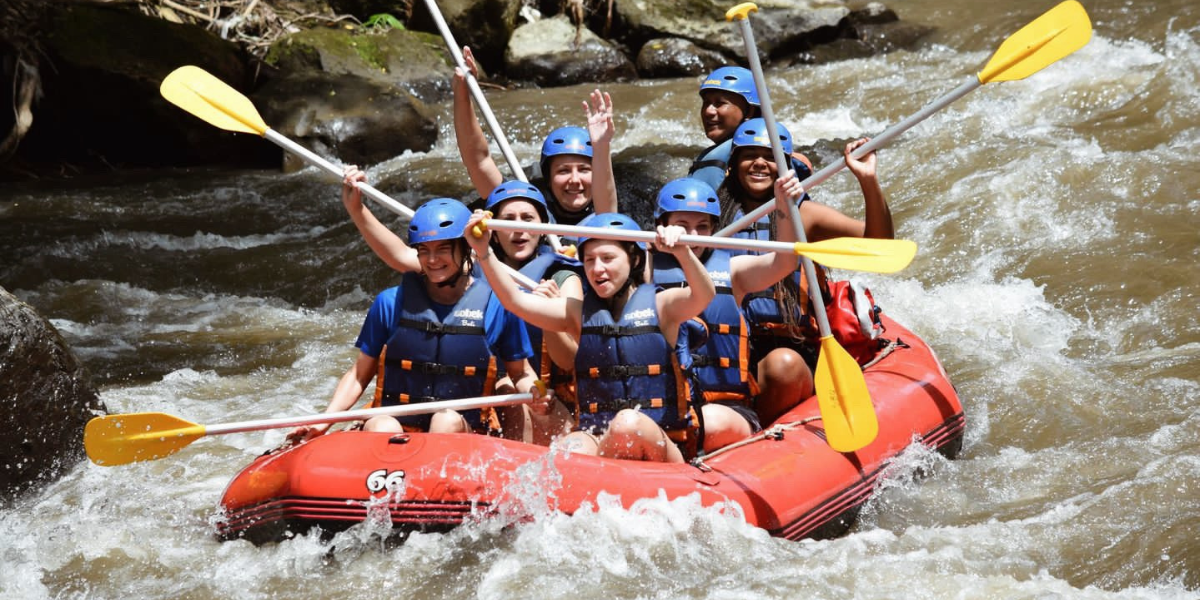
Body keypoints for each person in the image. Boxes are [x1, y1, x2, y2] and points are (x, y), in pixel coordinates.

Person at [465, 210, 715, 463]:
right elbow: (515, 301)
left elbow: (704, 295)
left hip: (662, 442)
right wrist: (484, 252)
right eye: (589, 260)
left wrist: (682, 252)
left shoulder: (663, 306)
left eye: (608, 258)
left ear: (635, 260)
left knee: (627, 423)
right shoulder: (577, 313)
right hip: (600, 439)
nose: (597, 269)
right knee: (569, 448)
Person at [288, 198, 543, 441]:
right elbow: (358, 375)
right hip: (398, 427)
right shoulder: (389, 302)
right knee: (381, 424)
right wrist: (323, 422)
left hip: (463, 430)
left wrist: (536, 391)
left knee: (445, 421)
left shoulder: (498, 305)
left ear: (465, 248)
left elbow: (520, 372)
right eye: (424, 250)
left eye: (442, 249)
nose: (432, 260)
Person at [719, 118, 893, 423]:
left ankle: (758, 435)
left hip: (789, 345)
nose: (759, 163)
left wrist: (867, 180)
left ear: (785, 167)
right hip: (724, 347)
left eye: (770, 156)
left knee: (782, 365)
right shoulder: (711, 217)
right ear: (733, 165)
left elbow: (880, 244)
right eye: (749, 155)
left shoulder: (804, 215)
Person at [650, 177, 807, 449]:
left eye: (702, 227)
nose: (693, 235)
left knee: (708, 421)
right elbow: (606, 237)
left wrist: (783, 208)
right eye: (682, 225)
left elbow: (784, 262)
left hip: (726, 410)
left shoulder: (734, 271)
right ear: (661, 226)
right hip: (662, 408)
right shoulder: (642, 269)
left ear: (713, 230)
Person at [453, 46, 617, 225]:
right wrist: (462, 94)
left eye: (584, 170)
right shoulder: (525, 208)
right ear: (548, 179)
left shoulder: (607, 211)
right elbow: (478, 161)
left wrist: (602, 146)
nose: (575, 180)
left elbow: (607, 216)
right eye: (563, 170)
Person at [479, 180, 583, 444]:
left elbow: (570, 359)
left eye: (528, 219)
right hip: (488, 391)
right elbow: (409, 258)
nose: (519, 228)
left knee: (524, 399)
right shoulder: (468, 273)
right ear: (493, 231)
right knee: (508, 391)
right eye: (508, 220)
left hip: (548, 394)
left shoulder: (563, 278)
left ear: (543, 226)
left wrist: (549, 317)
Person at [688, 66, 812, 194]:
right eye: (706, 103)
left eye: (720, 103)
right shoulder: (778, 151)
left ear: (750, 111)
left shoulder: (727, 158)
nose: (708, 111)